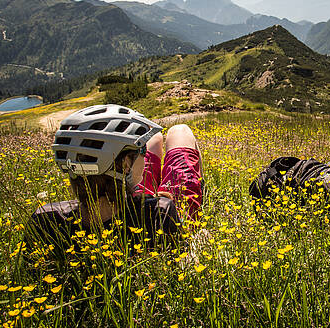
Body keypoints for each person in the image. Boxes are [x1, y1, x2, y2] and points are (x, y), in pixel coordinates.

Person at [27, 104, 203, 251]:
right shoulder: (161, 213)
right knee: (180, 131)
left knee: (155, 138)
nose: (144, 154)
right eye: (141, 151)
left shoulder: (46, 220)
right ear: (126, 164)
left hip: (126, 193)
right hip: (152, 210)